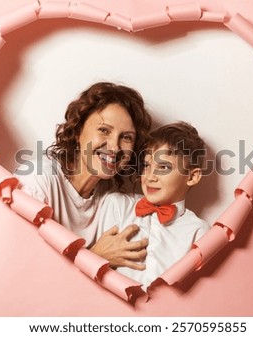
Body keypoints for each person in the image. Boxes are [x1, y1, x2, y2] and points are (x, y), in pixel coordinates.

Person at [15, 82, 152, 270]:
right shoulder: (38, 178)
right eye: (104, 130)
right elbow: (22, 269)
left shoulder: (111, 199)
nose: (114, 147)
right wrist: (96, 257)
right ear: (78, 130)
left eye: (126, 137)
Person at [96, 122, 210, 288]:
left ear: (192, 176)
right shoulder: (117, 205)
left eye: (163, 167)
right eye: (147, 165)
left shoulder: (199, 232)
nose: (150, 177)